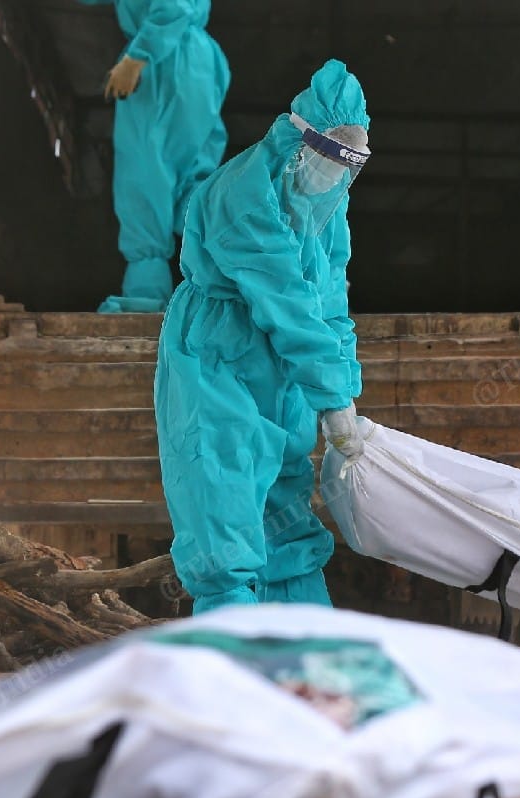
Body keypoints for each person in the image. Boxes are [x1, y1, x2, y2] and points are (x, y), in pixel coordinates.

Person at [154, 59, 370, 613]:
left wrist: (345, 390)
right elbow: (289, 304)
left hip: (282, 369)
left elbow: (332, 307)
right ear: (300, 137)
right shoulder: (242, 194)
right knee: (222, 495)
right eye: (328, 156)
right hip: (219, 355)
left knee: (285, 504)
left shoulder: (328, 211)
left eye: (349, 163)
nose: (334, 173)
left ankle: (307, 652)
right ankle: (230, 663)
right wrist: (330, 395)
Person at [80, 0, 231, 314]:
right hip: (200, 65)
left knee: (145, 172)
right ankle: (223, 293)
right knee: (195, 181)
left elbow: (173, 6)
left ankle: (146, 297)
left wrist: (139, 55)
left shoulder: (153, 50)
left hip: (163, 61)